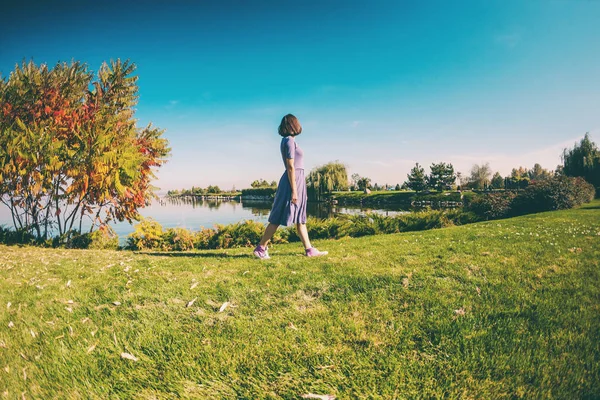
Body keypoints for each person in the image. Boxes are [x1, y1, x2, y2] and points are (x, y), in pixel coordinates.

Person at [253, 114, 328, 259]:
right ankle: (261, 248)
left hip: (298, 179)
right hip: (291, 181)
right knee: (278, 216)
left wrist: (300, 189)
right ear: (293, 124)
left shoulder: (291, 141)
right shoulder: (288, 141)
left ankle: (309, 250)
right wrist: (294, 190)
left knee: (300, 217)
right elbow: (290, 166)